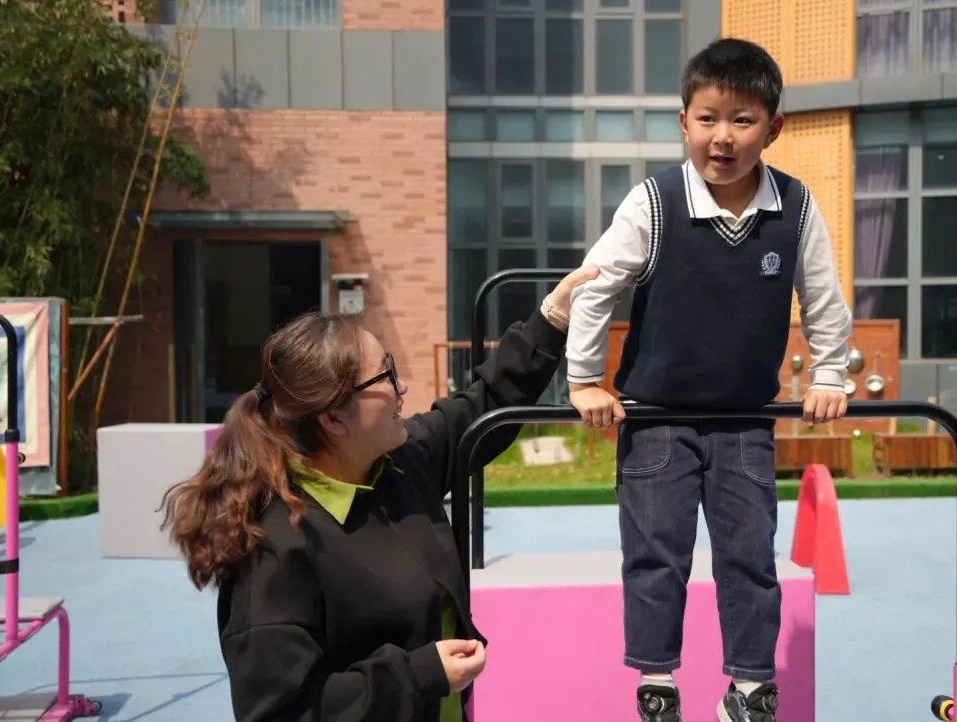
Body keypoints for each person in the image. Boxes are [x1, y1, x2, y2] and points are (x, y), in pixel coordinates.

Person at [159, 266, 598, 722]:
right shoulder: (275, 547)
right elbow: (281, 711)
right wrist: (418, 675)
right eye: (385, 375)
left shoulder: (399, 465)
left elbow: (485, 403)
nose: (400, 386)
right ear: (333, 418)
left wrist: (553, 316)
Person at [564, 38, 852, 722]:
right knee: (656, 552)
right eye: (708, 118)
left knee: (749, 554)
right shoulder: (654, 202)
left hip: (744, 418)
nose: (723, 136)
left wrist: (830, 373)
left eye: (742, 120)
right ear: (684, 122)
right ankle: (656, 681)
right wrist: (584, 380)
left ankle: (750, 688)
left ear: (773, 129)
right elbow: (594, 287)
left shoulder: (796, 207)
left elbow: (823, 298)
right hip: (656, 415)